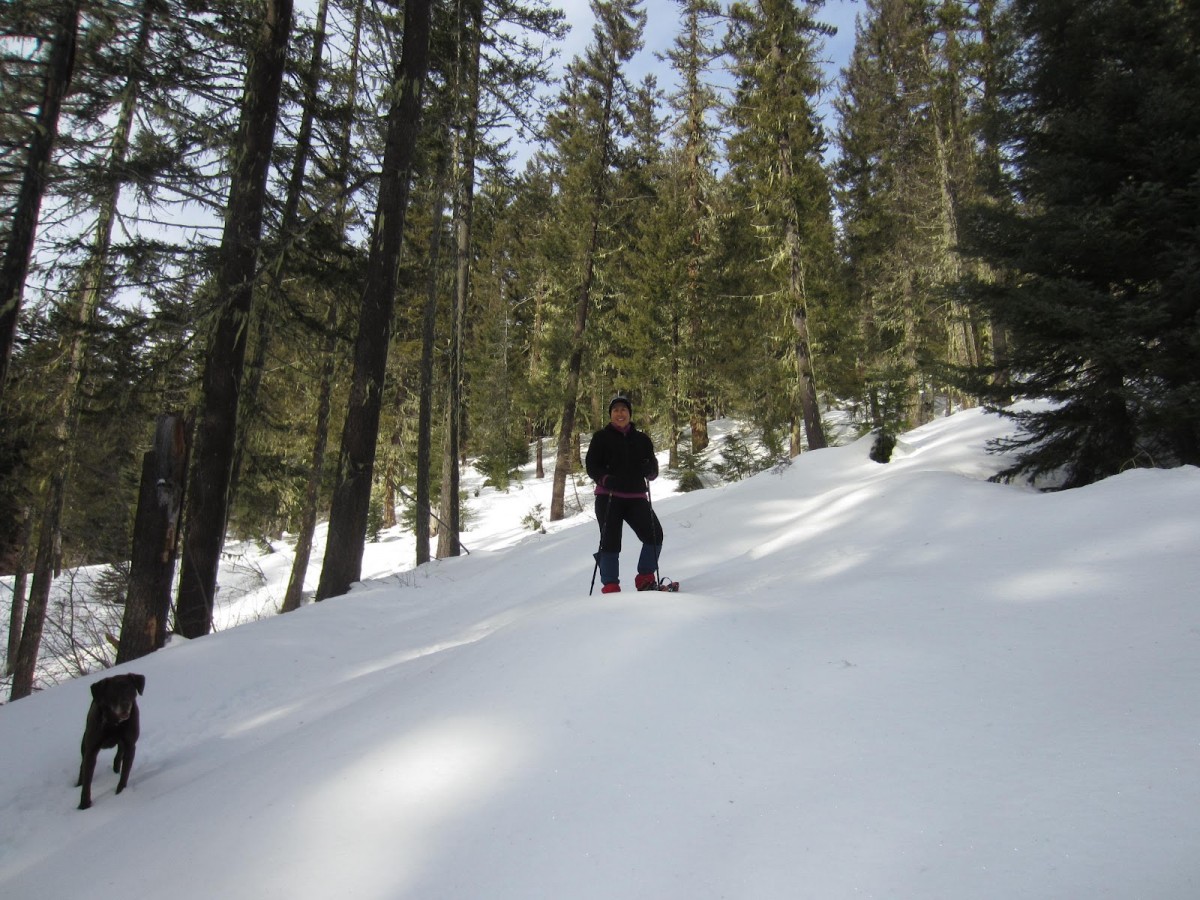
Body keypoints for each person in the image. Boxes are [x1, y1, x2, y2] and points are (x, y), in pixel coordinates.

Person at [585, 395, 663, 593]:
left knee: (655, 535)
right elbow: (592, 466)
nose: (620, 414)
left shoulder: (642, 439)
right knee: (610, 541)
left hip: (636, 497)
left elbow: (653, 466)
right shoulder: (601, 438)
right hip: (608, 496)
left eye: (623, 410)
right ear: (611, 415)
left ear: (629, 414)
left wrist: (650, 471)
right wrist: (605, 479)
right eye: (616, 411)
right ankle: (611, 585)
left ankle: (645, 578)